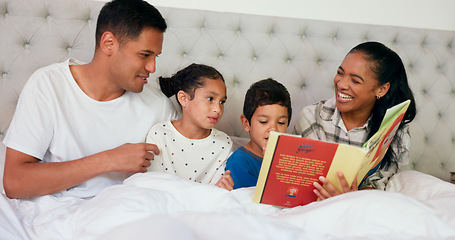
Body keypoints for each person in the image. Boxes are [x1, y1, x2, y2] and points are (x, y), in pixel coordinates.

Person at [2, 0, 177, 199]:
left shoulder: (159, 106)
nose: (152, 68)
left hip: (128, 213)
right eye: (144, 55)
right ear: (108, 43)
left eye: (156, 57)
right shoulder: (48, 86)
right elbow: (14, 182)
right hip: (58, 212)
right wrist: (108, 160)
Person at [293, 41, 417, 200]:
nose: (341, 84)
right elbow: (303, 183)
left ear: (381, 89)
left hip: (362, 208)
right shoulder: (311, 117)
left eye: (356, 81)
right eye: (340, 72)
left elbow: (381, 184)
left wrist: (353, 197)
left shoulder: (393, 130)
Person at [146, 63, 234, 190]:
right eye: (210, 98)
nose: (218, 109)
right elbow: (152, 184)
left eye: (222, 102)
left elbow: (215, 193)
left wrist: (222, 188)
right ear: (183, 99)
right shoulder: (159, 134)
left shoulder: (224, 144)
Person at [226, 78, 292, 189]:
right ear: (246, 123)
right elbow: (249, 201)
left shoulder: (290, 158)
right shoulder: (239, 161)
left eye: (281, 122)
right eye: (263, 122)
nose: (273, 129)